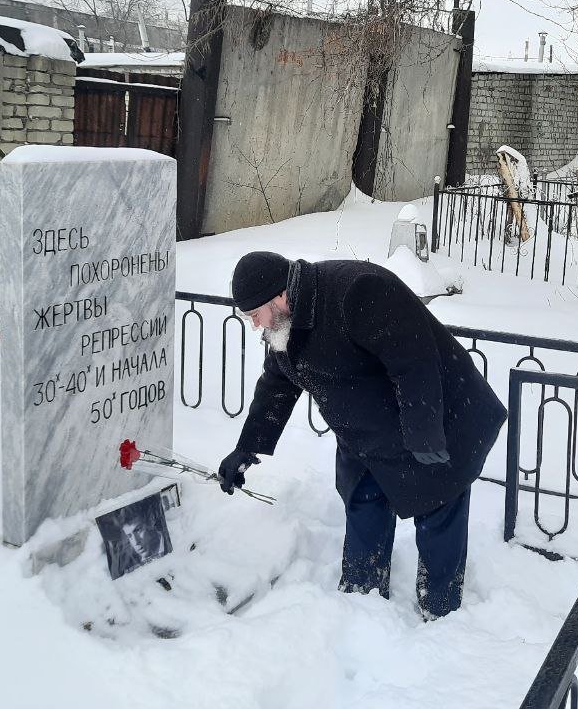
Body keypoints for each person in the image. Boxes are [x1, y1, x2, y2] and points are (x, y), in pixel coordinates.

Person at [216, 251, 507, 619]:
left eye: (254, 316)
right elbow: (277, 381)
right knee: (363, 502)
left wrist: (425, 432)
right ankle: (361, 602)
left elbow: (414, 359)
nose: (256, 326)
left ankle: (440, 612)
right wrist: (247, 447)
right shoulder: (285, 325)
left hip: (436, 415)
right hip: (366, 433)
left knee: (438, 509)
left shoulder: (357, 292)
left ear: (279, 296)